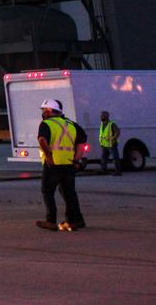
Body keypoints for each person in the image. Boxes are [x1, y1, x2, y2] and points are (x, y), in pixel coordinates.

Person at [36, 99, 86, 232]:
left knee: (47, 191)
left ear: (50, 110)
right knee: (69, 192)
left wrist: (49, 156)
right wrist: (76, 160)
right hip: (69, 163)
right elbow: (81, 144)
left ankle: (50, 221)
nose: (43, 112)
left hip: (53, 163)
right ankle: (74, 221)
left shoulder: (46, 124)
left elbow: (42, 140)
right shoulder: (71, 124)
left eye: (44, 110)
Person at [98, 111, 121, 176]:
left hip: (111, 144)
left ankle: (118, 171)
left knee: (115, 158)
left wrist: (113, 138)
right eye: (101, 116)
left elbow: (117, 132)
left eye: (103, 115)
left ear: (107, 116)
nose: (101, 117)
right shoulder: (102, 124)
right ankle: (103, 170)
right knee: (103, 158)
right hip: (104, 145)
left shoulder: (112, 124)